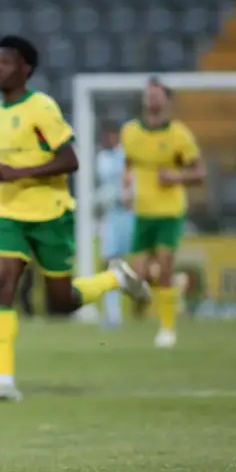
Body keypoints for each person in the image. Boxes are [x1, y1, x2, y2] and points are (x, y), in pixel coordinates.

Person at [0, 36, 151, 403]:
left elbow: (70, 160)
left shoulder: (41, 108)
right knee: (1, 283)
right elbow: (10, 167)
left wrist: (21, 175)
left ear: (25, 69)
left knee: (61, 302)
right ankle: (4, 381)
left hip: (50, 214)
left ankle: (115, 278)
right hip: (8, 213)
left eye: (5, 62)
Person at [121, 79, 204, 348]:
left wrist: (177, 176)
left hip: (169, 211)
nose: (153, 99)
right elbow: (127, 165)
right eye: (149, 94)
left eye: (157, 95)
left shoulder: (180, 135)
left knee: (165, 264)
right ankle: (175, 284)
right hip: (142, 212)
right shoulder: (130, 132)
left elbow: (200, 173)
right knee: (139, 275)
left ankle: (167, 329)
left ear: (166, 101)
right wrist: (125, 189)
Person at [95, 123, 134, 328]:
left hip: (130, 215)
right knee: (111, 263)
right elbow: (103, 190)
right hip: (111, 217)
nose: (106, 140)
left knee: (140, 265)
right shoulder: (101, 159)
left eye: (109, 135)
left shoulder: (127, 157)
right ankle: (113, 314)